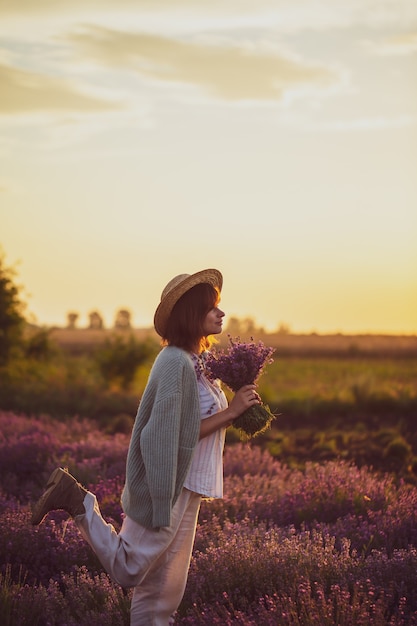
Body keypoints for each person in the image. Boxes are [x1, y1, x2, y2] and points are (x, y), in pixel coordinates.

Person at [31, 268, 260, 626]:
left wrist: (239, 404)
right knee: (129, 570)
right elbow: (168, 434)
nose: (222, 314)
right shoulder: (174, 363)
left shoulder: (196, 363)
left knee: (164, 591)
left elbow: (188, 424)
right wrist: (232, 412)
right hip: (168, 485)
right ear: (190, 315)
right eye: (212, 307)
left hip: (190, 485)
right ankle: (77, 500)